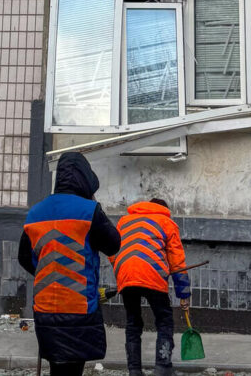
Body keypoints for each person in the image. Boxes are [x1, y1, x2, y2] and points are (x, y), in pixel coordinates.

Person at [18, 152, 120, 376]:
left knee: (58, 366)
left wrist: (49, 273)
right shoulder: (88, 210)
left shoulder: (34, 213)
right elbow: (113, 245)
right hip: (78, 305)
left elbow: (24, 258)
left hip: (45, 307)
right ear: (86, 178)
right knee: (73, 368)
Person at [110, 198, 191, 376]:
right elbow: (177, 263)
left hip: (126, 273)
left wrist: (122, 270)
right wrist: (184, 293)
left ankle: (134, 370)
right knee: (164, 320)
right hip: (152, 273)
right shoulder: (166, 222)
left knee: (133, 322)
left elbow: (112, 249)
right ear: (164, 209)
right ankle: (163, 367)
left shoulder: (124, 221)